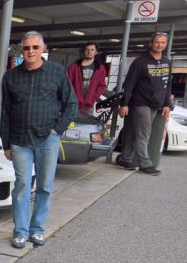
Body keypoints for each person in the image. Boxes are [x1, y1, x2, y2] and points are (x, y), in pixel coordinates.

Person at [1, 31, 78, 249]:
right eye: (27, 48)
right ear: (21, 50)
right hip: (20, 140)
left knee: (45, 186)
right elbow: (4, 112)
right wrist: (6, 143)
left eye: (35, 47)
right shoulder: (11, 76)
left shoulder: (56, 72)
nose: (31, 51)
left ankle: (37, 229)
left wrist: (57, 130)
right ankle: (20, 231)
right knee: (22, 185)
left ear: (43, 49)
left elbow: (71, 104)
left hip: (47, 140)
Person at [117, 32, 173, 175]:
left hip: (157, 104)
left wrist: (166, 104)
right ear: (151, 43)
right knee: (144, 134)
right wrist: (124, 104)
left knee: (133, 132)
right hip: (140, 103)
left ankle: (125, 158)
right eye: (157, 42)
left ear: (165, 44)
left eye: (162, 42)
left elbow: (168, 84)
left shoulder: (167, 62)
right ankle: (145, 164)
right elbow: (129, 84)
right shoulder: (140, 62)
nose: (159, 45)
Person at [66, 42, 108, 116]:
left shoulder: (100, 68)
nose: (89, 51)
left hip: (89, 105)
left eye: (92, 50)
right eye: (87, 49)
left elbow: (102, 86)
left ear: (96, 52)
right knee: (71, 126)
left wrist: (93, 96)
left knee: (86, 126)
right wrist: (71, 97)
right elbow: (66, 83)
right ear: (83, 51)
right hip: (73, 104)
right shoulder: (74, 66)